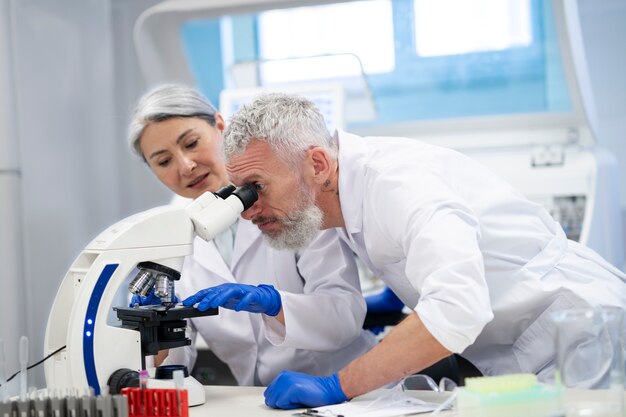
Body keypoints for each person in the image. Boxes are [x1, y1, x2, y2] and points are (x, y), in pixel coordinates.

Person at [220, 92, 626, 409]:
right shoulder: (336, 198)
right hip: (525, 351)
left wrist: (338, 384)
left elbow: (455, 309)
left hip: (585, 338)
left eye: (257, 187)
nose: (247, 209)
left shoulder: (399, 185)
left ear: (318, 164)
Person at [126, 84, 376, 386]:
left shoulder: (294, 200)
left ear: (220, 126)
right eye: (164, 161)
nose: (186, 165)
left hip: (347, 388)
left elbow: (344, 317)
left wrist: (275, 304)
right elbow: (173, 364)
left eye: (191, 143)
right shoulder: (165, 237)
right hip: (256, 400)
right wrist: (155, 329)